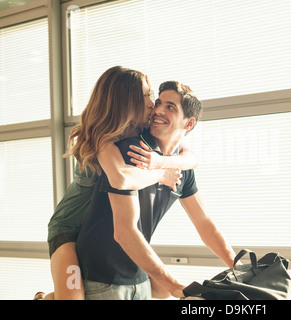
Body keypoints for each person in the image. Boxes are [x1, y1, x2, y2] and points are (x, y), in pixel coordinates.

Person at [39, 66, 198, 300]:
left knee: (161, 292)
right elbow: (121, 178)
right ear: (126, 99)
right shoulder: (102, 138)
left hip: (93, 232)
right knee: (72, 298)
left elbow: (191, 156)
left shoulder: (139, 130)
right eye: (146, 95)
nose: (152, 103)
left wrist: (163, 161)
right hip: (68, 231)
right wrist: (161, 172)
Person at [75, 80, 237, 300]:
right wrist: (175, 287)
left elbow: (204, 222)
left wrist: (239, 267)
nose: (157, 110)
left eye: (170, 107)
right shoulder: (131, 150)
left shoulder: (180, 166)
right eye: (158, 102)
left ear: (189, 124)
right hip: (103, 276)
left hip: (137, 275)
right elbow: (124, 232)